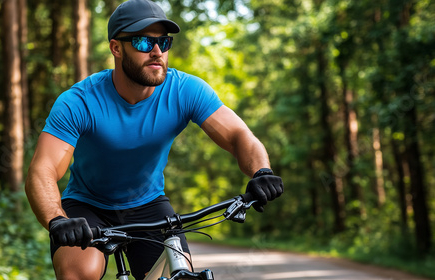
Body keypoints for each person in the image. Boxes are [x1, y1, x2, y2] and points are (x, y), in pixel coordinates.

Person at [25, 0, 284, 279]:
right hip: (87, 206)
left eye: (163, 42)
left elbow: (238, 135)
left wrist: (262, 171)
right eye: (143, 42)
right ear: (116, 48)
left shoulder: (185, 90)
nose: (157, 52)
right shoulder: (79, 101)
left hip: (149, 205)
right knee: (82, 272)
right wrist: (57, 220)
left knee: (178, 271)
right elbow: (43, 170)